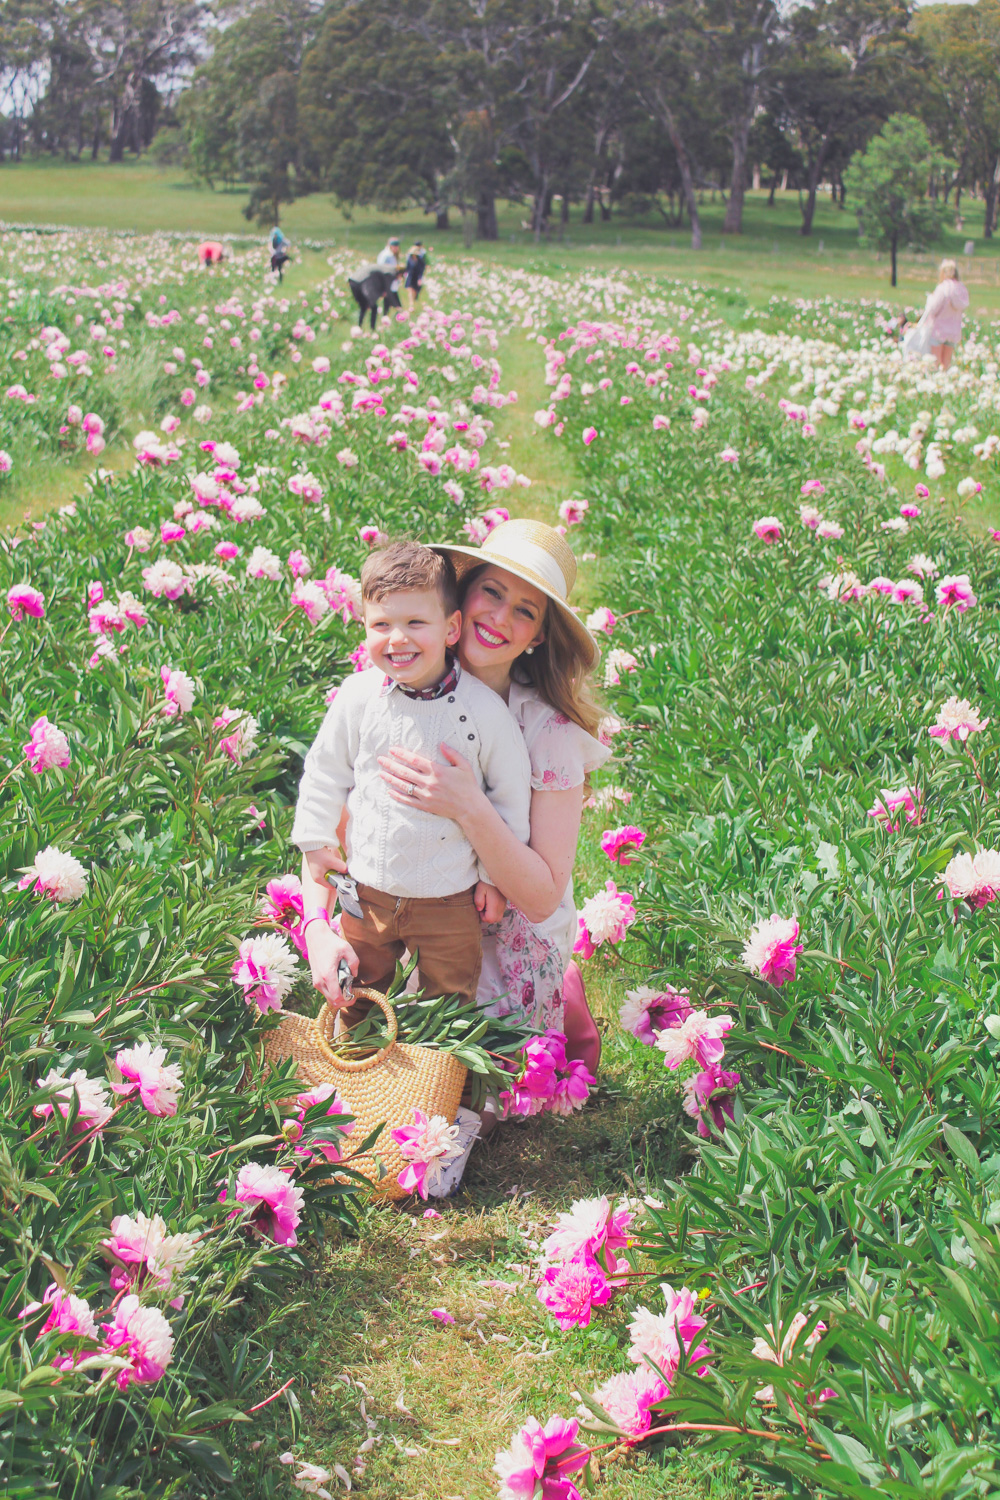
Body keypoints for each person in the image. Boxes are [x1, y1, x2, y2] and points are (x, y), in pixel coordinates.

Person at [377, 519, 608, 1081]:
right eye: (493, 593)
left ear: (540, 636)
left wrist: (470, 808)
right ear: (462, 597)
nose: (501, 618)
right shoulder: (402, 689)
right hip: (412, 910)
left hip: (507, 942)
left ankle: (560, 999)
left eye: (526, 611)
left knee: (452, 1101)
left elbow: (541, 897)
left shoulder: (547, 733)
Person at [292, 541, 531, 1016]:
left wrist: (492, 878)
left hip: (448, 900)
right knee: (359, 994)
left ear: (451, 629)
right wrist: (316, 839)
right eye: (382, 625)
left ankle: (443, 1087)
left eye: (415, 623)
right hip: (369, 892)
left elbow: (508, 798)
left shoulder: (481, 711)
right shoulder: (359, 697)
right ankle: (359, 1073)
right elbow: (324, 770)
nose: (397, 639)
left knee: (449, 1005)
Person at [924, 258, 969, 371]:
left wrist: (929, 299)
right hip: (953, 331)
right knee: (946, 363)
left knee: (935, 362)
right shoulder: (961, 289)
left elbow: (933, 308)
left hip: (939, 329)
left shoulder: (942, 288)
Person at [347, 265, 395, 331]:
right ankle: (371, 328)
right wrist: (371, 300)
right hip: (359, 283)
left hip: (353, 281)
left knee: (364, 307)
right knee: (372, 307)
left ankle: (360, 326)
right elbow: (367, 288)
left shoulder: (377, 273)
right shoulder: (380, 275)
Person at [376, 235, 403, 317]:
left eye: (397, 246)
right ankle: (398, 317)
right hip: (387, 282)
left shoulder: (391, 254)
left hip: (392, 282)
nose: (396, 248)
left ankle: (385, 317)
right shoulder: (386, 255)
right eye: (394, 246)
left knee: (387, 302)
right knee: (397, 305)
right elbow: (382, 268)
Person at [404, 242, 429, 310]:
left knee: (416, 291)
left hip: (417, 277)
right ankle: (411, 305)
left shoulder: (420, 260)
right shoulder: (409, 259)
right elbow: (407, 268)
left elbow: (421, 270)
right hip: (410, 276)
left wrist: (420, 278)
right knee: (410, 290)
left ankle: (414, 302)